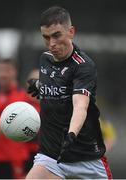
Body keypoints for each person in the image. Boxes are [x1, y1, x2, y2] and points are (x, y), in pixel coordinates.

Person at [26, 6, 112, 179]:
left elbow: (80, 105)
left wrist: (72, 134)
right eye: (46, 37)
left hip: (87, 158)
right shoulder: (45, 59)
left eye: (56, 35)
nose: (52, 44)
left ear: (71, 31)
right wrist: (40, 85)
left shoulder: (84, 66)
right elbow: (59, 83)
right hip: (50, 156)